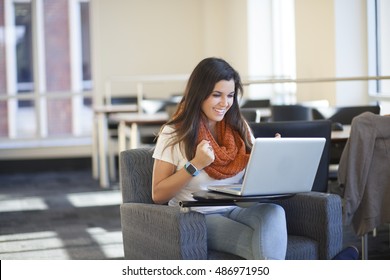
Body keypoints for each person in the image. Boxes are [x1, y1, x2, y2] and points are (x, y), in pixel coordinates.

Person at [152, 57, 287, 260]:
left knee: (275, 213)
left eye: (230, 95)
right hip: (198, 215)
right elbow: (158, 194)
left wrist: (269, 158)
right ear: (199, 94)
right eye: (217, 95)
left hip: (237, 207)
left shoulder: (238, 126)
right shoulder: (174, 133)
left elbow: (253, 178)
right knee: (261, 242)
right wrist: (195, 164)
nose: (225, 103)